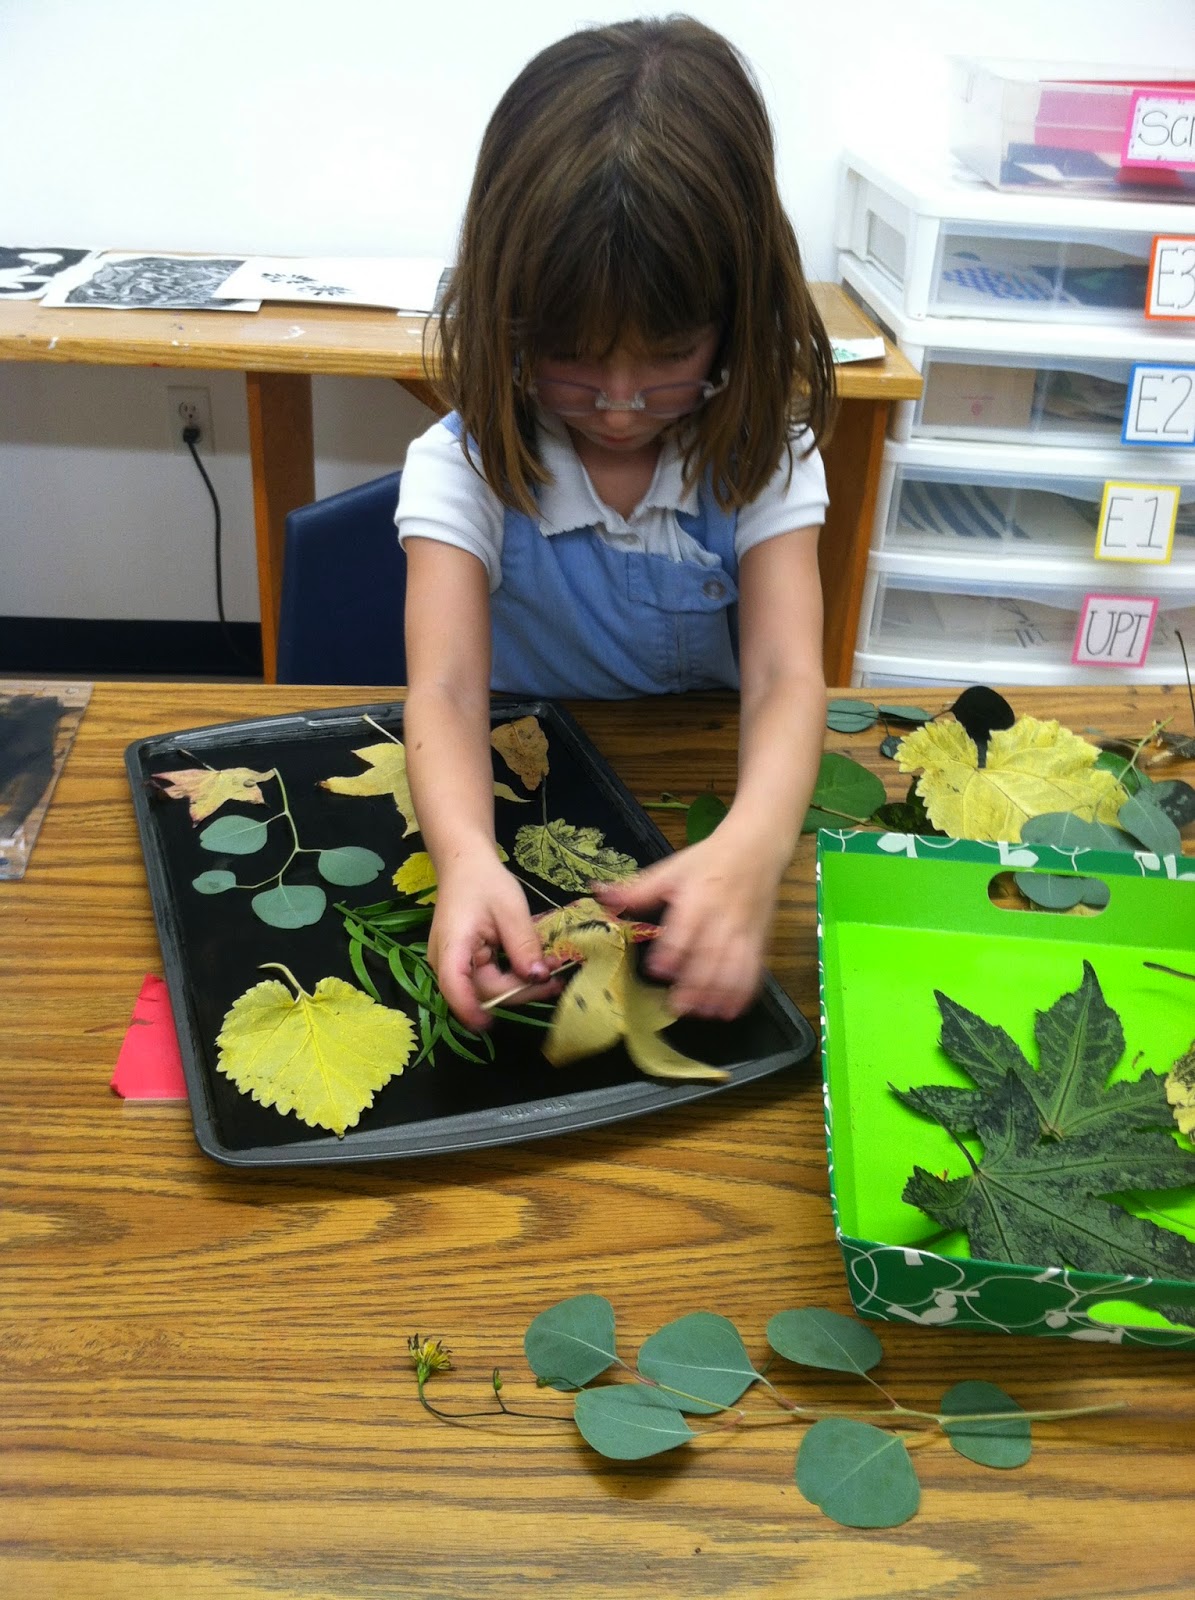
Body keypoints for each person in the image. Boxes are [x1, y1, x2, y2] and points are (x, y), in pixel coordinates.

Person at [397, 14, 834, 1033]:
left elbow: (785, 677)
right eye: (574, 358)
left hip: (701, 802)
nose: (623, 403)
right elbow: (447, 689)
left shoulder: (763, 458)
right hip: (524, 801)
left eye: (670, 354)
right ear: (506, 308)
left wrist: (757, 842)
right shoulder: (460, 467)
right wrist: (465, 857)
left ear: (738, 309)